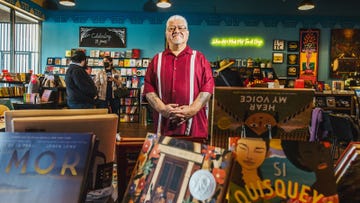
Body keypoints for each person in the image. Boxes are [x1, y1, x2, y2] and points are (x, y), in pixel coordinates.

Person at [143, 15, 215, 138]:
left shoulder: (199, 59)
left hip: (194, 129)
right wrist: (162, 108)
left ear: (187, 33)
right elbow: (149, 87)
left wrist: (192, 109)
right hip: (164, 127)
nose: (176, 31)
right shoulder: (156, 60)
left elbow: (207, 87)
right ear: (166, 33)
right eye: (171, 28)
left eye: (181, 28)